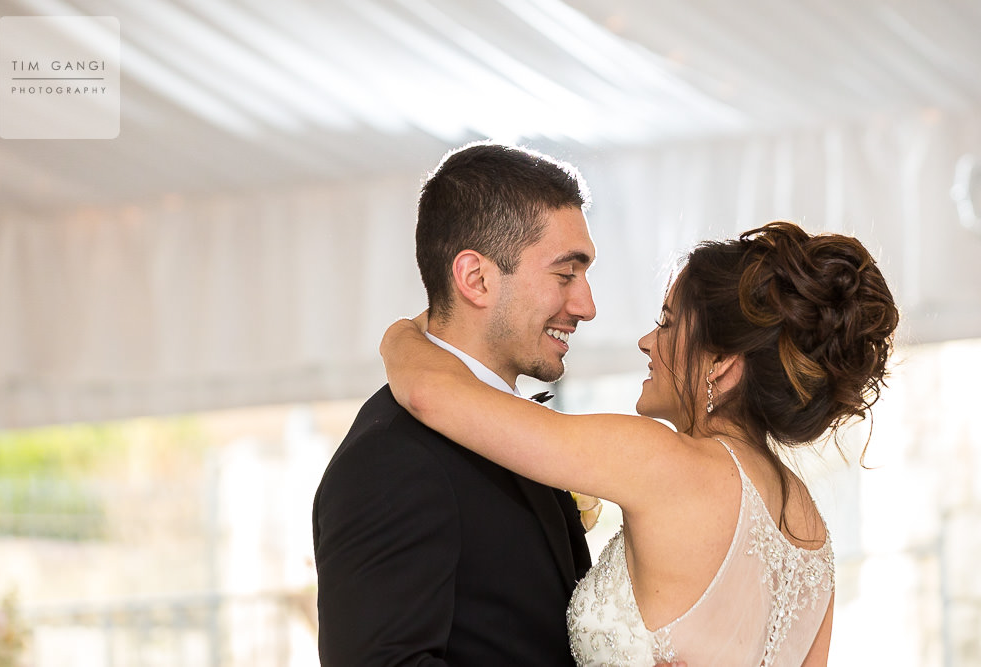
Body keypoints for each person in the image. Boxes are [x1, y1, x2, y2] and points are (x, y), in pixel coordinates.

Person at [381, 221, 900, 665]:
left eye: (669, 322)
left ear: (721, 363)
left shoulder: (662, 460)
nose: (647, 341)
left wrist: (403, 333)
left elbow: (430, 395)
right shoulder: (814, 538)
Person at [314, 142, 687, 666]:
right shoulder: (391, 460)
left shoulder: (525, 432)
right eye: (565, 274)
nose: (587, 306)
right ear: (476, 278)